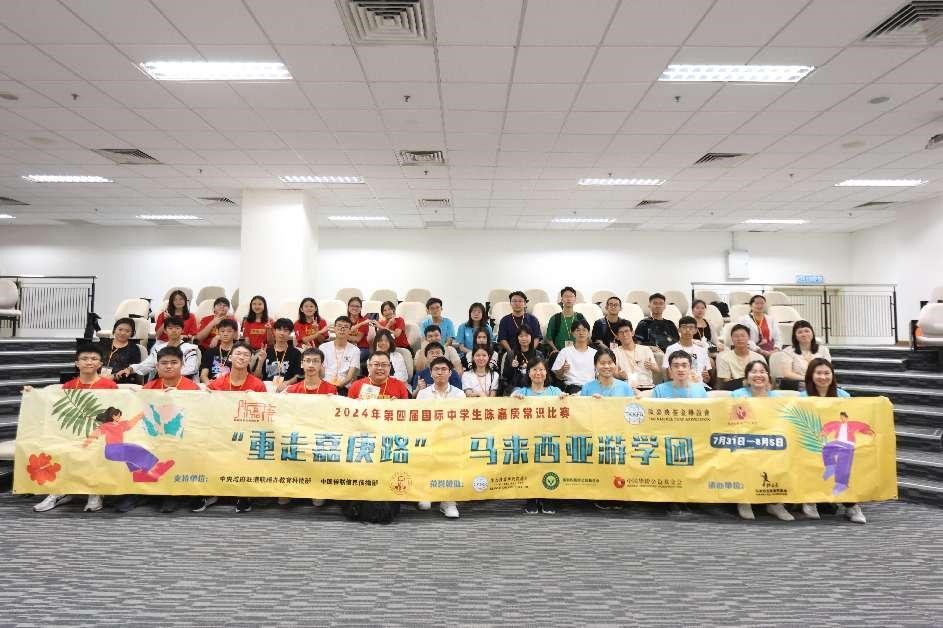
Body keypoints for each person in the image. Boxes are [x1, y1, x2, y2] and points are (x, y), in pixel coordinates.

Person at [31, 344, 117, 514]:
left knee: (95, 448)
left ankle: (95, 493)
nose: (89, 362)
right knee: (58, 446)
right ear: (77, 363)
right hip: (73, 432)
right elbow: (60, 413)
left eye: (94, 359)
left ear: (100, 364)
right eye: (84, 359)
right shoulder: (69, 386)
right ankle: (58, 492)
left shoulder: (110, 386)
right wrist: (31, 394)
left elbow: (114, 415)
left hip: (99, 434)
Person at [205, 341, 266, 514]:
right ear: (230, 357)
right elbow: (205, 407)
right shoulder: (216, 384)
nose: (241, 357)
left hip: (247, 432)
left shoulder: (258, 385)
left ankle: (244, 494)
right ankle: (211, 492)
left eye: (246, 355)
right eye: (238, 353)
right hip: (222, 431)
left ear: (250, 359)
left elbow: (262, 416)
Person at [138, 345, 199, 514]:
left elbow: (196, 417)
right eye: (164, 363)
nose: (169, 366)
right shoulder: (149, 387)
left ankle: (172, 495)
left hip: (181, 436)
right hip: (153, 435)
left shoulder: (192, 389)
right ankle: (144, 492)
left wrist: (178, 397)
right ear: (157, 366)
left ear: (182, 365)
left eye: (174, 362)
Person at [801, 358, 864, 524]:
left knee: (846, 464)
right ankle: (810, 500)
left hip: (840, 442)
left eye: (826, 373)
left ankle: (852, 506)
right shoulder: (802, 397)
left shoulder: (843, 396)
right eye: (818, 373)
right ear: (811, 375)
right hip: (811, 442)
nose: (823, 377)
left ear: (832, 375)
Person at [512, 359, 564, 515]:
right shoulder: (522, 392)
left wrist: (565, 398)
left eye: (541, 369)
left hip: (550, 438)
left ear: (546, 372)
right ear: (528, 373)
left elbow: (568, 406)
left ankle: (547, 497)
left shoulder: (555, 391)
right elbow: (510, 403)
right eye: (534, 369)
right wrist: (515, 398)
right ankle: (531, 497)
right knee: (529, 467)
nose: (538, 373)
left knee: (549, 465)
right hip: (528, 438)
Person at [415, 356, 464, 519]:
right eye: (436, 369)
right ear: (431, 373)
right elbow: (418, 419)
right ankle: (426, 493)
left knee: (451, 461)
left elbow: (462, 420)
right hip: (429, 437)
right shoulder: (423, 394)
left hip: (451, 439)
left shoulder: (459, 394)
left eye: (444, 369)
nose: (440, 372)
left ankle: (448, 501)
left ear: (450, 373)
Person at [115, 316, 199, 382]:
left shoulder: (190, 348)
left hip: (183, 382)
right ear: (165, 331)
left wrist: (166, 373)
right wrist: (130, 369)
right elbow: (147, 365)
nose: (174, 331)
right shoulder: (159, 348)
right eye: (170, 328)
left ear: (182, 330)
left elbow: (191, 369)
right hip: (162, 382)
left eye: (177, 328)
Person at [253, 318, 302, 392]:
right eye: (279, 330)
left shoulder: (296, 353)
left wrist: (287, 383)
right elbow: (256, 377)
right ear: (274, 331)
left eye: (285, 330)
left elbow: (299, 375)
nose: (282, 333)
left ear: (290, 333)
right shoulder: (265, 352)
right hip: (267, 388)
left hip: (287, 388)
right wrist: (260, 362)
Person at [551, 320, 597, 394]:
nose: (581, 333)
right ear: (572, 333)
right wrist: (562, 370)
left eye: (584, 330)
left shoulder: (595, 353)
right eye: (578, 330)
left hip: (591, 388)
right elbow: (558, 376)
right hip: (572, 388)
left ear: (588, 333)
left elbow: (599, 374)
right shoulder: (565, 351)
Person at [662, 316, 711, 385]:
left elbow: (706, 379)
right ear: (679, 330)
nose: (687, 330)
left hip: (700, 386)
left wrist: (706, 378)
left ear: (695, 330)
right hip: (679, 385)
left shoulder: (702, 351)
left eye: (691, 327)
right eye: (684, 327)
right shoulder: (671, 349)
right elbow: (669, 375)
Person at [319, 316, 361, 394]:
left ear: (350, 330)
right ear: (334, 328)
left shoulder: (355, 350)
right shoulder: (323, 347)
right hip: (325, 386)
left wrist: (334, 388)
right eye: (339, 326)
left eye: (346, 327)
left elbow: (349, 377)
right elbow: (321, 373)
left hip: (343, 387)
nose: (342, 329)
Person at [611, 321, 659, 390]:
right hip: (627, 388)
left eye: (627, 331)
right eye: (621, 332)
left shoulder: (645, 349)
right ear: (617, 337)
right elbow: (614, 373)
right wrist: (620, 376)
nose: (624, 335)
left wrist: (652, 366)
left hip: (647, 387)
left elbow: (657, 369)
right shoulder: (615, 352)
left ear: (632, 333)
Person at [716, 324, 766, 388]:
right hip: (734, 391)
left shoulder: (759, 358)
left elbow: (765, 379)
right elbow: (727, 382)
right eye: (736, 336)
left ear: (749, 338)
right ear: (732, 339)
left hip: (757, 389)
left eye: (743, 335)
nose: (739, 339)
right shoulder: (725, 358)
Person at [501, 324, 544, 395]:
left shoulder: (538, 355)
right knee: (518, 392)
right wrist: (511, 367)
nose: (524, 338)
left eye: (526, 335)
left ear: (531, 337)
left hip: (534, 387)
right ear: (517, 338)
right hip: (515, 388)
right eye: (521, 336)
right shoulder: (511, 354)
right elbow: (505, 377)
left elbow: (544, 374)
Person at [545, 287, 587, 352]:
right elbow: (549, 338)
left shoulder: (580, 317)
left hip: (577, 352)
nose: (568, 299)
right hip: (559, 352)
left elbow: (586, 335)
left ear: (575, 299)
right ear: (562, 300)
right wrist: (555, 349)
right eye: (566, 296)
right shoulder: (555, 318)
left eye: (571, 296)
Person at [99, 317, 140, 384]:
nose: (123, 333)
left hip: (121, 383)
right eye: (120, 329)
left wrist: (114, 376)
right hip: (97, 379)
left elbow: (132, 369)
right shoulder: (103, 343)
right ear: (114, 330)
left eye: (127, 331)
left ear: (132, 333)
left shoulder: (134, 349)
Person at [200, 319, 237, 383]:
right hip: (212, 385)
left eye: (229, 331)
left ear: (235, 333)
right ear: (218, 332)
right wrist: (209, 384)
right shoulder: (210, 352)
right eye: (222, 331)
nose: (225, 334)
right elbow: (203, 375)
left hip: (231, 386)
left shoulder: (239, 353)